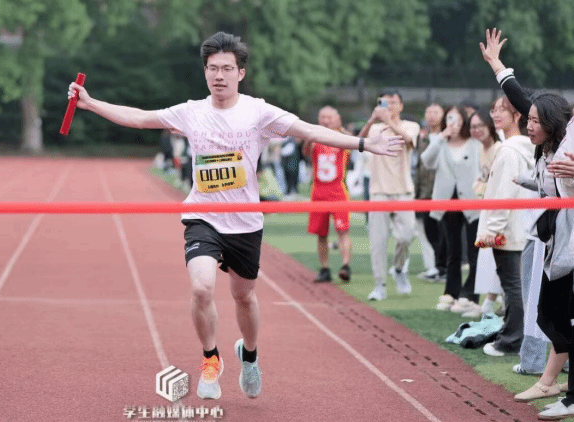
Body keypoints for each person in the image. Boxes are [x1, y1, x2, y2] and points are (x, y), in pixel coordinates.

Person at [67, 31, 404, 401]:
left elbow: (309, 130)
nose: (219, 76)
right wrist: (91, 103)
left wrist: (363, 143)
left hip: (245, 221)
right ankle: (210, 359)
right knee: (201, 287)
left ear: (241, 73)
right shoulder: (191, 112)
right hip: (204, 216)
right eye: (213, 68)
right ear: (205, 72)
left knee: (244, 297)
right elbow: (141, 118)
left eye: (227, 69)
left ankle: (250, 355)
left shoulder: (259, 112)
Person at [481, 28, 574, 418]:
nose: (528, 124)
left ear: (551, 123)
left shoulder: (568, 139)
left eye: (535, 120)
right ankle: (553, 381)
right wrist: (497, 65)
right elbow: (525, 100)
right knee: (549, 314)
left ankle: (564, 392)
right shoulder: (549, 141)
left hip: (570, 244)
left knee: (561, 314)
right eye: (528, 119)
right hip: (557, 241)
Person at [475, 97, 534, 357]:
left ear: (517, 116)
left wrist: (493, 229)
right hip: (519, 225)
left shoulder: (510, 150)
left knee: (512, 286)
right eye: (494, 109)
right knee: (515, 285)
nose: (496, 114)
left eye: (503, 110)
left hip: (508, 229)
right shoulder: (520, 147)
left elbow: (504, 193)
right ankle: (513, 335)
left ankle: (511, 340)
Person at [358, 90, 420, 300]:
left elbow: (409, 140)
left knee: (407, 235)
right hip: (379, 191)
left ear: (401, 106)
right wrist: (372, 120)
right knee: (378, 241)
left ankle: (399, 268)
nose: (390, 106)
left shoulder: (410, 125)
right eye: (385, 103)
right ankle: (380, 284)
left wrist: (388, 121)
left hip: (403, 190)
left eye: (393, 102)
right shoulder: (375, 128)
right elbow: (358, 143)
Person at [420, 105, 481, 313]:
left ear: (464, 122)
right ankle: (451, 292)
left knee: (474, 250)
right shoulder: (440, 143)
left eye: (457, 119)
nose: (453, 123)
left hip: (472, 201)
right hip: (447, 201)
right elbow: (426, 161)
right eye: (449, 118)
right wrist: (441, 137)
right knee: (452, 250)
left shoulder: (474, 143)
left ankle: (471, 294)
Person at [303, 106, 353, 283]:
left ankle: (346, 265)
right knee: (321, 233)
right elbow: (305, 152)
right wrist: (310, 138)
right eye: (322, 117)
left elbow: (354, 142)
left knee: (342, 230)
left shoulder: (342, 137)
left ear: (337, 118)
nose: (325, 120)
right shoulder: (316, 138)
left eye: (329, 117)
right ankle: (324, 268)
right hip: (319, 190)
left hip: (338, 189)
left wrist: (340, 129)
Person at [467, 107, 503, 318]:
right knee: (488, 254)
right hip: (487, 208)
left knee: (495, 254)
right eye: (473, 127)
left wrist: (483, 187)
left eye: (480, 125)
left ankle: (492, 302)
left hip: (498, 211)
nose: (477, 130)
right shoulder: (482, 149)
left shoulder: (499, 148)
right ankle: (493, 301)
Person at [415, 103, 447, 282]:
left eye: (436, 112)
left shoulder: (448, 137)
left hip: (443, 192)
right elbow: (420, 166)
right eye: (428, 112)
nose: (432, 115)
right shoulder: (423, 138)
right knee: (429, 231)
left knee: (444, 232)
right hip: (425, 192)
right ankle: (434, 267)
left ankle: (443, 268)